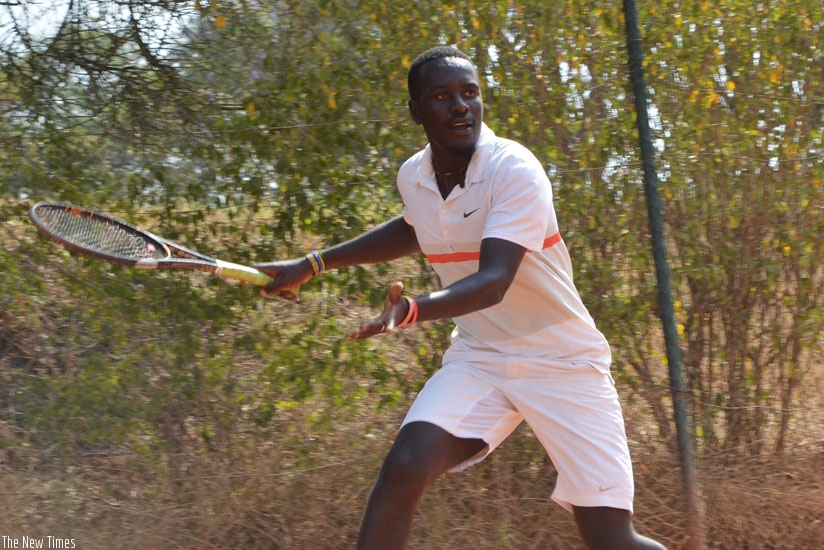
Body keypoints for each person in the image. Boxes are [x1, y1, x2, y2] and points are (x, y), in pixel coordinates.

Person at [254, 45, 667, 550]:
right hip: (482, 357)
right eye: (442, 96)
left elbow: (495, 282)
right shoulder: (415, 176)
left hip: (563, 361)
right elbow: (415, 227)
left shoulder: (514, 169)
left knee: (610, 539)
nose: (460, 107)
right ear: (416, 111)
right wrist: (312, 263)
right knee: (405, 465)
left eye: (469, 94)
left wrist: (411, 311)